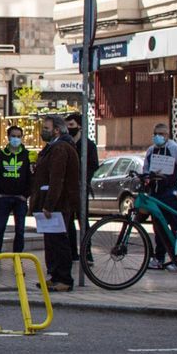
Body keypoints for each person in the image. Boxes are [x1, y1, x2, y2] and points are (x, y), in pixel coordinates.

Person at [30, 115, 80, 291]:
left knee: (59, 241)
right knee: (51, 241)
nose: (43, 130)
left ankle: (64, 279)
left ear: (56, 130)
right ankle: (55, 276)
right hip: (52, 201)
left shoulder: (60, 148)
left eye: (46, 128)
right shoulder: (53, 148)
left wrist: (49, 205)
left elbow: (57, 179)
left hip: (59, 204)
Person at [143, 123, 177, 270]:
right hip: (155, 194)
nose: (158, 136)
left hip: (171, 194)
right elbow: (145, 168)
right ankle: (159, 258)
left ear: (167, 135)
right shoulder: (151, 150)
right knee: (158, 228)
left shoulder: (174, 149)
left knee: (175, 226)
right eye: (156, 133)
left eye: (161, 134)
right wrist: (146, 178)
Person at [0, 125, 32, 258]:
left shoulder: (27, 155)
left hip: (20, 198)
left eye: (19, 136)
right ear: (8, 137)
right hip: (3, 197)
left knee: (20, 230)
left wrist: (25, 195)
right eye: (13, 136)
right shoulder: (1, 155)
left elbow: (30, 177)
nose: (16, 139)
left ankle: (17, 258)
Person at [65, 112, 99, 262]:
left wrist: (83, 180)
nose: (69, 128)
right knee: (67, 221)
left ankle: (87, 252)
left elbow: (93, 165)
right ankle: (72, 252)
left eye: (71, 125)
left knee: (83, 220)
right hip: (66, 188)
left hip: (81, 188)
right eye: (67, 126)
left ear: (79, 126)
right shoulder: (65, 143)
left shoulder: (88, 145)